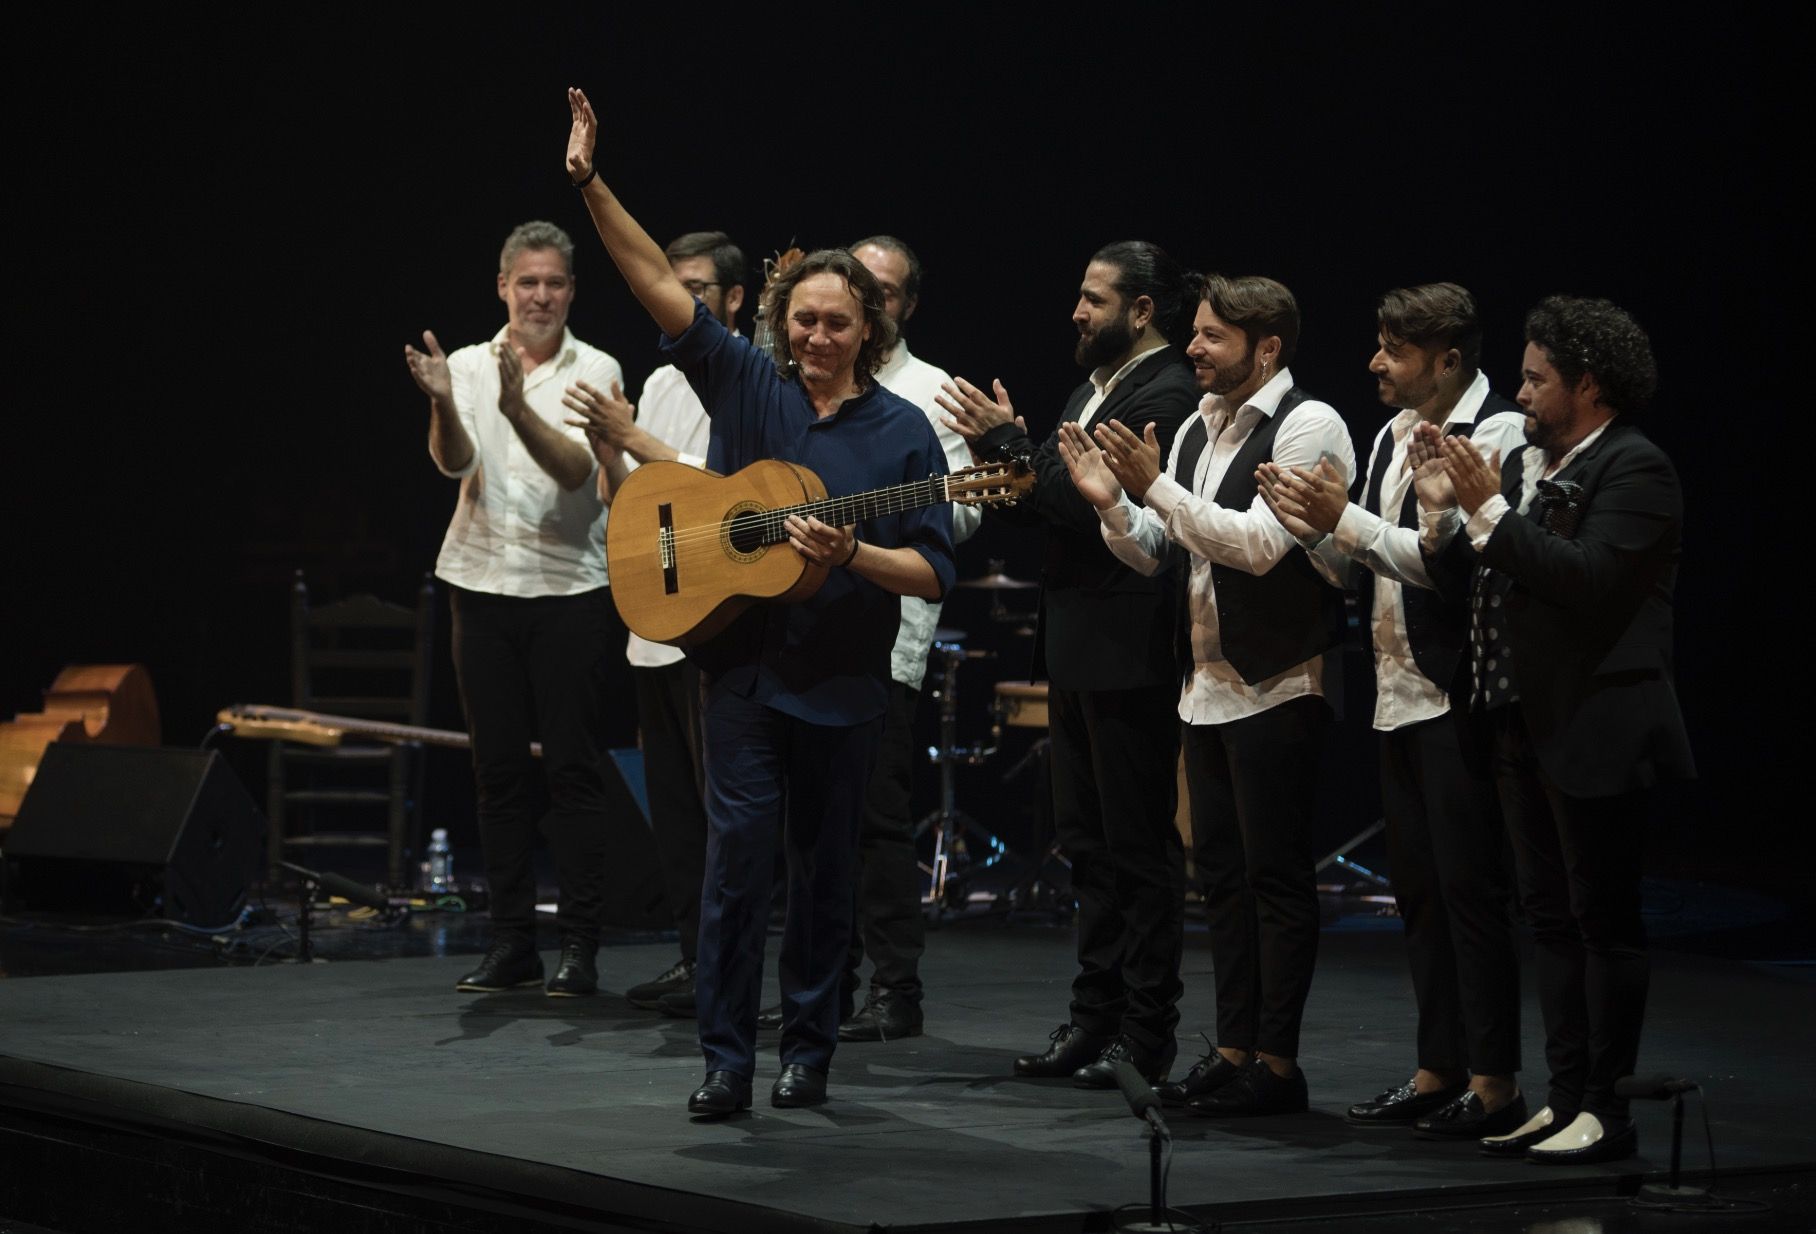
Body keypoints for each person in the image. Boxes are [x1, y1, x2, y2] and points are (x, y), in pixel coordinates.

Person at [562, 88, 956, 1116]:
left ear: (868, 326)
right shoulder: (747, 384)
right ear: (779, 323)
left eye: (837, 320)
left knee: (824, 879)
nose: (819, 334)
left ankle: (809, 1052)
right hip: (740, 670)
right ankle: (726, 1056)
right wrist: (590, 183)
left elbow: (931, 572)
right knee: (736, 871)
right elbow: (653, 278)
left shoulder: (905, 432)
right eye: (804, 319)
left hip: (843, 685)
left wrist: (853, 552)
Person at [1059, 274, 1355, 1117]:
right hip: (1205, 690)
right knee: (1220, 882)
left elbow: (1260, 547)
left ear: (1266, 349)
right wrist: (1116, 504)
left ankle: (1278, 1064)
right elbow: (1162, 550)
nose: (1193, 349)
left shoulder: (1309, 424)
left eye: (1212, 337)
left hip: (1276, 685)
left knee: (1275, 881)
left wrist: (1152, 488)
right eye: (1194, 333)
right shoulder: (1197, 427)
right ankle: (1231, 1051)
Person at [1418, 295, 1693, 1163]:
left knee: (1600, 919)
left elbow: (1585, 579)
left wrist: (1487, 509)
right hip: (1521, 723)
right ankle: (1565, 1093)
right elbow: (1490, 578)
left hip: (1596, 726)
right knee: (1549, 919)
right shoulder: (1549, 467)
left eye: (1537, 380)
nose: (1523, 395)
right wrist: (1449, 509)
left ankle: (1606, 1109)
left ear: (1589, 383)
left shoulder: (1636, 468)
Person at [1258, 283, 1528, 1139]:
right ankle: (1436, 1068)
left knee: (1470, 894)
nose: (1375, 362)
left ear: (1447, 359)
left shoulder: (1497, 437)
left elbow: (1456, 574)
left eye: (1394, 350)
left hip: (1459, 694)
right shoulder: (1390, 436)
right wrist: (1315, 529)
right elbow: (1368, 562)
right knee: (1418, 895)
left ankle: (1494, 1084)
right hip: (1396, 695)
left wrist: (1347, 522)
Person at [939, 242, 1198, 1087]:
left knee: (1136, 847)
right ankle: (1095, 1018)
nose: (1077, 312)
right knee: (1087, 846)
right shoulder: (1095, 388)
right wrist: (1007, 459)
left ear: (1142, 308)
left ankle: (1147, 1033)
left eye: (1093, 299)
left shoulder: (1163, 390)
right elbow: (1043, 503)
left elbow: (1077, 504)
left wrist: (1014, 445)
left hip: (1131, 647)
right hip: (1078, 644)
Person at [403, 220, 626, 998]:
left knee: (570, 771)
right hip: (480, 580)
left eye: (554, 283)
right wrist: (444, 403)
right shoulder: (465, 363)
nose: (540, 296)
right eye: (526, 282)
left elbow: (574, 472)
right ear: (502, 285)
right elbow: (455, 461)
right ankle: (511, 944)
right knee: (496, 774)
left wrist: (516, 407)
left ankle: (581, 948)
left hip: (569, 588)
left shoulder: (596, 367)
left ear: (572, 290)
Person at [564, 231, 748, 1016]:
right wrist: (610, 448)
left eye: (698, 287)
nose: (679, 299)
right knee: (672, 806)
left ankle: (727, 965)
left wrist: (635, 437)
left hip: (712, 614)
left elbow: (733, 495)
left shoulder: (746, 374)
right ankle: (689, 955)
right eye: (671, 284)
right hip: (654, 617)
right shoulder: (662, 374)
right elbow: (630, 500)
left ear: (734, 299)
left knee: (718, 810)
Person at [835, 234, 980, 1043]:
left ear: (907, 304)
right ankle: (826, 982)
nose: (869, 301)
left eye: (883, 292)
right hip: (805, 628)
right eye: (859, 287)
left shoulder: (933, 393)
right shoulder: (812, 378)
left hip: (889, 636)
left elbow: (962, 511)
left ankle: (896, 991)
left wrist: (876, 507)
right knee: (811, 827)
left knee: (876, 822)